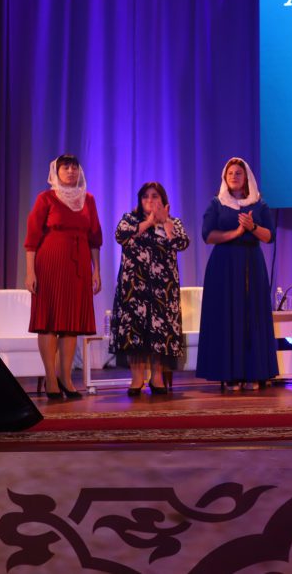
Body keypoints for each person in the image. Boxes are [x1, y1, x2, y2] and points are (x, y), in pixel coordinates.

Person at [24, 154, 103, 400]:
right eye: (65, 167)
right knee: (48, 322)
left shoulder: (88, 200)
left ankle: (66, 378)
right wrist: (30, 271)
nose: (70, 171)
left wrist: (96, 270)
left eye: (74, 167)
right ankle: (51, 378)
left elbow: (95, 239)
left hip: (78, 267)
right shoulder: (46, 198)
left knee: (71, 323)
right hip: (50, 264)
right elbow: (32, 237)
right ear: (56, 172)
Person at [196, 158, 278, 390]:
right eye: (230, 173)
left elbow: (270, 237)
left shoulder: (259, 204)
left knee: (252, 315)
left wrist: (252, 227)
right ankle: (230, 373)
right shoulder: (217, 203)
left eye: (238, 173)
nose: (234, 176)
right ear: (225, 177)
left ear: (246, 177)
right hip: (223, 265)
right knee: (226, 316)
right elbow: (207, 235)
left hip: (251, 262)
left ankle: (255, 372)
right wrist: (237, 232)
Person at [109, 182, 190, 395]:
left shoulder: (173, 222)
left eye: (155, 196)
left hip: (163, 289)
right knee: (135, 332)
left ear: (163, 200)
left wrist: (165, 224)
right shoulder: (130, 219)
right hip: (134, 287)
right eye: (146, 196)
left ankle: (157, 377)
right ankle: (137, 379)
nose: (150, 200)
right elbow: (120, 235)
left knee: (160, 333)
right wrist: (149, 223)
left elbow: (182, 243)